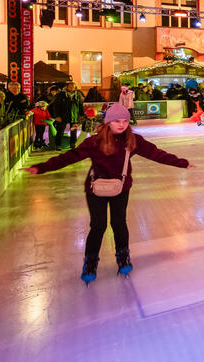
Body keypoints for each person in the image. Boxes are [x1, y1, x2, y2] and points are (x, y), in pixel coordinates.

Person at [23, 103, 193, 283]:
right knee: (98, 226)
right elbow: (69, 157)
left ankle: (123, 256)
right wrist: (41, 168)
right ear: (108, 122)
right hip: (95, 189)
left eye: (125, 121)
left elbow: (156, 154)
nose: (121, 124)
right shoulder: (94, 142)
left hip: (121, 188)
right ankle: (90, 262)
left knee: (119, 223)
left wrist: (182, 163)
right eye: (117, 121)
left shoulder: (133, 141)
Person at [50, 82, 84, 150]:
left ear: (75, 87)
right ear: (67, 87)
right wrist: (57, 116)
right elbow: (56, 106)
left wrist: (81, 114)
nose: (71, 87)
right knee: (60, 130)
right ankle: (58, 145)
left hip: (74, 116)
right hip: (63, 115)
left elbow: (80, 105)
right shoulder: (61, 94)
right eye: (70, 86)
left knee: (73, 131)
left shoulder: (77, 95)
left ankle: (72, 144)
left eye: (73, 86)